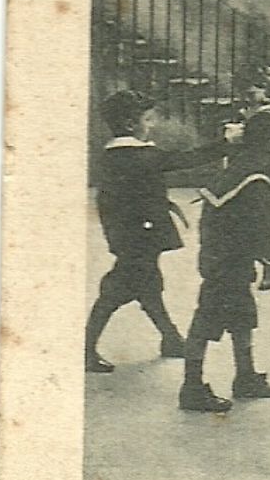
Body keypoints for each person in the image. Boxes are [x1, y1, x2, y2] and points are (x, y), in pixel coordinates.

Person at [88, 89, 228, 373]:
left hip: (130, 234)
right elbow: (186, 159)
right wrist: (226, 144)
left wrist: (159, 205)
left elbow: (123, 195)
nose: (152, 126)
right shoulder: (139, 154)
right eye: (148, 120)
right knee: (119, 290)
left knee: (147, 286)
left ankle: (171, 338)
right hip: (141, 236)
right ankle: (85, 348)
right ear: (130, 124)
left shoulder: (114, 155)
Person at [180, 110, 270, 412]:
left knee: (242, 318)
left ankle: (245, 376)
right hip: (228, 264)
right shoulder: (257, 178)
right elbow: (261, 228)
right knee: (205, 323)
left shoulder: (239, 168)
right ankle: (191, 387)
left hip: (221, 258)